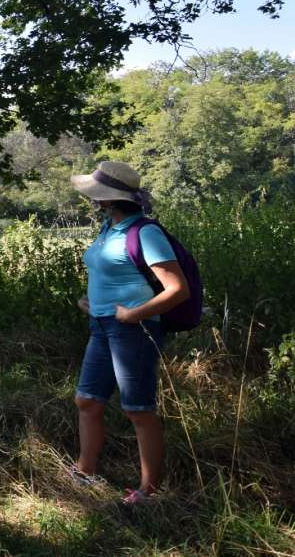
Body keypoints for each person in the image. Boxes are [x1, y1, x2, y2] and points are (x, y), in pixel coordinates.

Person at [69, 161, 190, 506]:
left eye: (97, 196)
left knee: (138, 409)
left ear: (107, 199)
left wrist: (133, 314)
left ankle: (148, 491)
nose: (93, 201)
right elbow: (112, 275)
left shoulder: (146, 232)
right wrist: (91, 301)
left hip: (134, 330)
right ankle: (85, 472)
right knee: (88, 401)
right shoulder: (109, 229)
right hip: (102, 326)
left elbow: (177, 289)